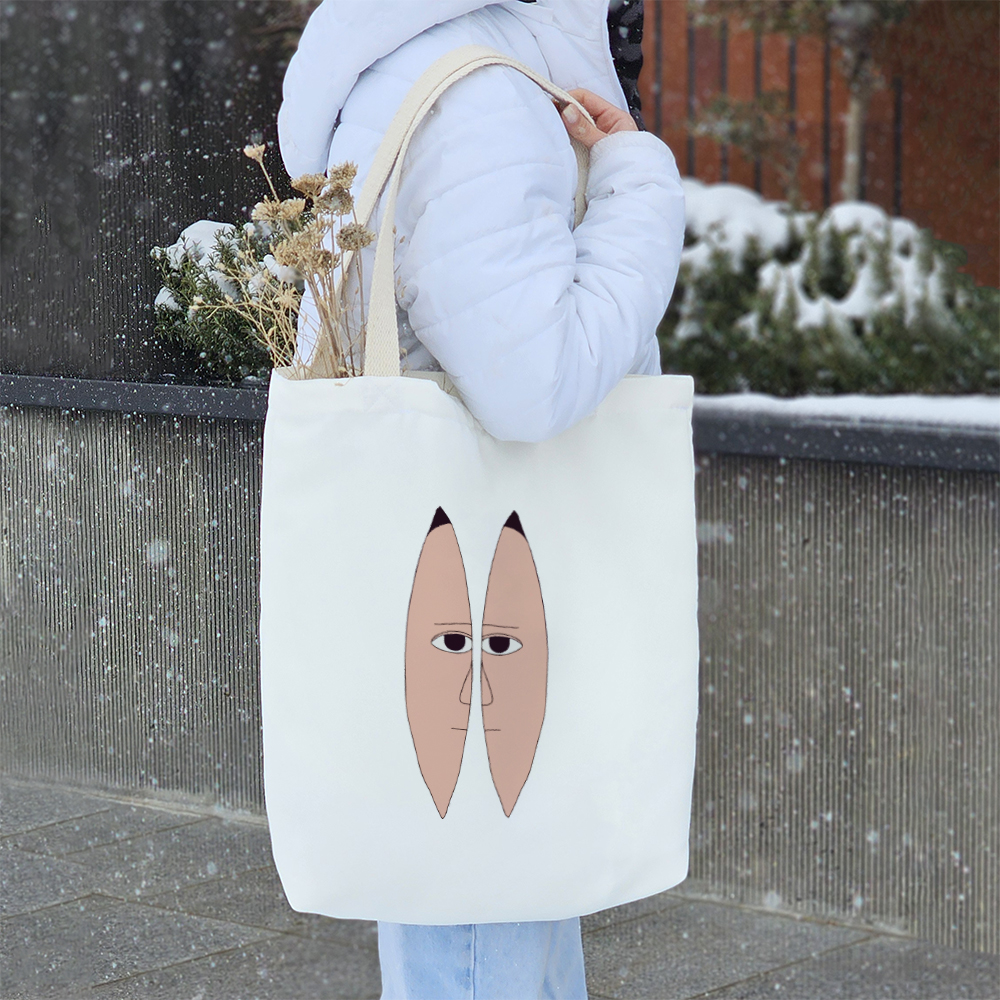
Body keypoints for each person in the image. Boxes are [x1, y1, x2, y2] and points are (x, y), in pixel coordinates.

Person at [278, 1, 685, 996]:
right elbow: (532, 384)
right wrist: (637, 185)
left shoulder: (434, 60)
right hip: (488, 571)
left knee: (491, 875)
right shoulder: (479, 95)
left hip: (459, 562)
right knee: (482, 899)